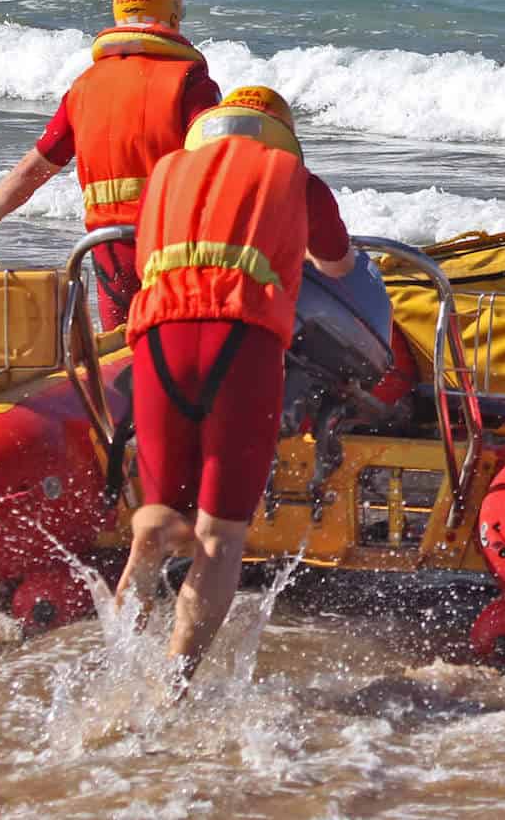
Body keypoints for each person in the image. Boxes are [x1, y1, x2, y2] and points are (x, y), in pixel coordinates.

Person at [111, 87, 356, 689]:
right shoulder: (294, 174)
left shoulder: (166, 173)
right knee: (218, 536)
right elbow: (340, 265)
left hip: (158, 338)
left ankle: (113, 673)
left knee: (156, 518)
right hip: (240, 344)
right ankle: (173, 689)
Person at [0, 0, 221, 329]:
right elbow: (222, 163)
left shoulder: (83, 88)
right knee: (178, 348)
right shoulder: (190, 81)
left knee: (118, 350)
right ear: (173, 16)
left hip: (107, 248)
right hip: (174, 245)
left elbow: (35, 168)